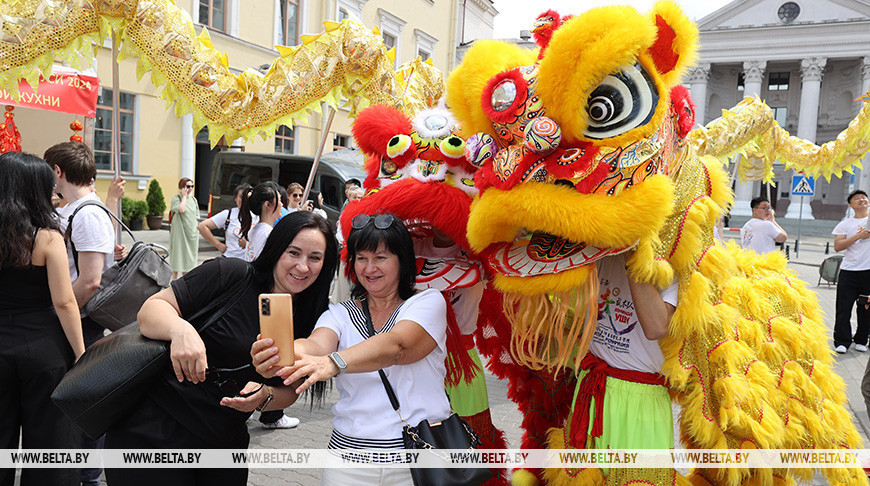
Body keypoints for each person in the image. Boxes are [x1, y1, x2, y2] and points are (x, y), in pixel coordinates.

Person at [105, 211, 337, 486]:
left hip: (225, 445)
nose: (302, 266)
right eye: (293, 253)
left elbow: (289, 390)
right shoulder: (232, 274)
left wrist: (264, 397)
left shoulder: (315, 320)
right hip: (154, 432)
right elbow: (151, 310)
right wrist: (181, 331)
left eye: (315, 258)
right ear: (276, 249)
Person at [252, 213, 451, 485]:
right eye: (361, 258)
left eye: (381, 258)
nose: (369, 268)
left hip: (417, 458)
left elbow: (397, 346)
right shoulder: (340, 313)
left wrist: (334, 363)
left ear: (402, 260)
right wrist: (281, 352)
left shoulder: (428, 302)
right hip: (348, 461)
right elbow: (316, 345)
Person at [0, 152, 86, 486]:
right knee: (51, 442)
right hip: (43, 349)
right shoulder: (46, 237)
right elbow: (64, 302)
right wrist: (81, 352)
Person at [557, 252, 678, 485]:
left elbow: (656, 326)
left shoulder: (673, 262)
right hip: (592, 387)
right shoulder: (600, 252)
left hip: (640, 400)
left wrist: (634, 255)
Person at [45, 141, 115, 486]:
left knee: (82, 402)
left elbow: (90, 281)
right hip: (76, 318)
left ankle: (88, 477)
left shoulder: (86, 214)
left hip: (82, 321)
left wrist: (57, 311)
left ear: (57, 172)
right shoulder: (77, 209)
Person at [832, 190, 870, 354]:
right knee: (843, 308)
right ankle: (842, 341)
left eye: (864, 197)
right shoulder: (845, 224)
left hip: (868, 272)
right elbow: (838, 246)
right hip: (849, 271)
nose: (861, 199)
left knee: (866, 308)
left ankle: (861, 339)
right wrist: (858, 236)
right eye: (857, 198)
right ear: (851, 205)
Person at [197, 183, 253, 259]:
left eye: (248, 197)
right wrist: (218, 245)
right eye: (241, 197)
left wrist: (247, 244)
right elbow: (202, 226)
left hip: (249, 262)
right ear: (235, 199)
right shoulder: (228, 214)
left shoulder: (259, 216)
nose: (245, 200)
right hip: (229, 260)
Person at [241, 182, 283, 263]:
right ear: (267, 205)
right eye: (279, 200)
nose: (282, 204)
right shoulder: (267, 234)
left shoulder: (255, 230)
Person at [170, 178, 199, 279]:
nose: (190, 188)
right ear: (182, 187)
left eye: (192, 186)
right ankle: (173, 282)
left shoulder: (194, 200)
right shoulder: (176, 198)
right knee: (177, 255)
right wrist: (184, 197)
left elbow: (196, 217)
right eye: (187, 186)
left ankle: (185, 282)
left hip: (191, 233)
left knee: (189, 260)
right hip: (179, 232)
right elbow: (181, 209)